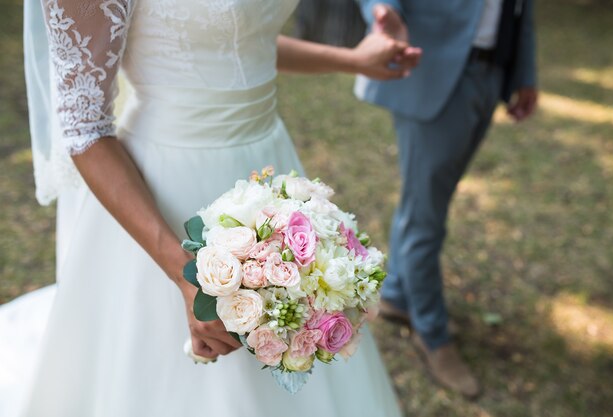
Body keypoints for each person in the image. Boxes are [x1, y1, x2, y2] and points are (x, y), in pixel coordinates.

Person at [0, 1, 421, 416]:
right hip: (165, 190)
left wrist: (353, 61)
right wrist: (187, 278)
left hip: (268, 166)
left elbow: (238, 39)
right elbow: (83, 129)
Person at [355, 0, 538, 398]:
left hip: (492, 72)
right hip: (432, 68)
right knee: (427, 216)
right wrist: (383, 9)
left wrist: (524, 73)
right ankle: (432, 336)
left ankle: (400, 294)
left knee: (427, 201)